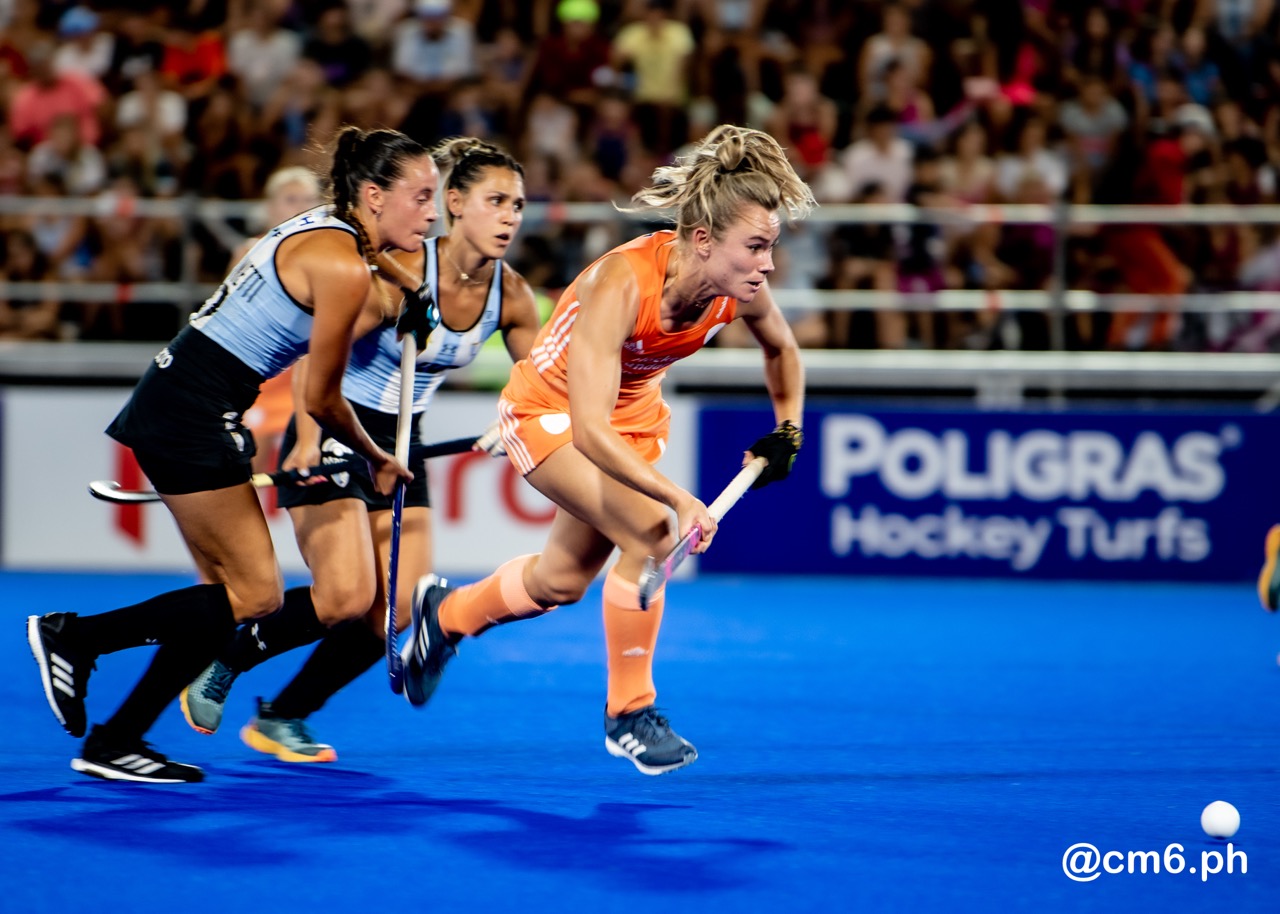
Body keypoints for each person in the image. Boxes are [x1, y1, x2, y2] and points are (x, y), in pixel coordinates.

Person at [25, 126, 441, 783]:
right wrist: (377, 456)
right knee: (254, 597)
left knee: (237, 596)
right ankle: (77, 639)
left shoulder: (326, 226)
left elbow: (367, 256)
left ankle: (116, 737)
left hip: (180, 402)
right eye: (420, 197)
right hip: (190, 416)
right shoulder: (341, 269)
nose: (432, 212)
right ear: (372, 193)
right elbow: (326, 398)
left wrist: (407, 291)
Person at [402, 124, 814, 775]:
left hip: (631, 418)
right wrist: (680, 500)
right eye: (756, 247)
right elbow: (589, 430)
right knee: (652, 531)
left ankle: (443, 618)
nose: (768, 264)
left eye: (771, 247)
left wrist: (787, 430)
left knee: (560, 583)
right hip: (553, 412)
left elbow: (781, 351)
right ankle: (628, 714)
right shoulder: (623, 283)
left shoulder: (736, 292)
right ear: (702, 240)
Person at [179, 138, 543, 762]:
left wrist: (520, 418)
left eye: (518, 204)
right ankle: (227, 660)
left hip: (404, 444)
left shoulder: (513, 296)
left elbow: (539, 383)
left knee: (392, 615)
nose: (511, 216)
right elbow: (319, 364)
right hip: (336, 424)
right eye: (496, 201)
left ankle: (284, 716)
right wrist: (311, 438)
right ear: (456, 203)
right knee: (344, 599)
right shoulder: (399, 270)